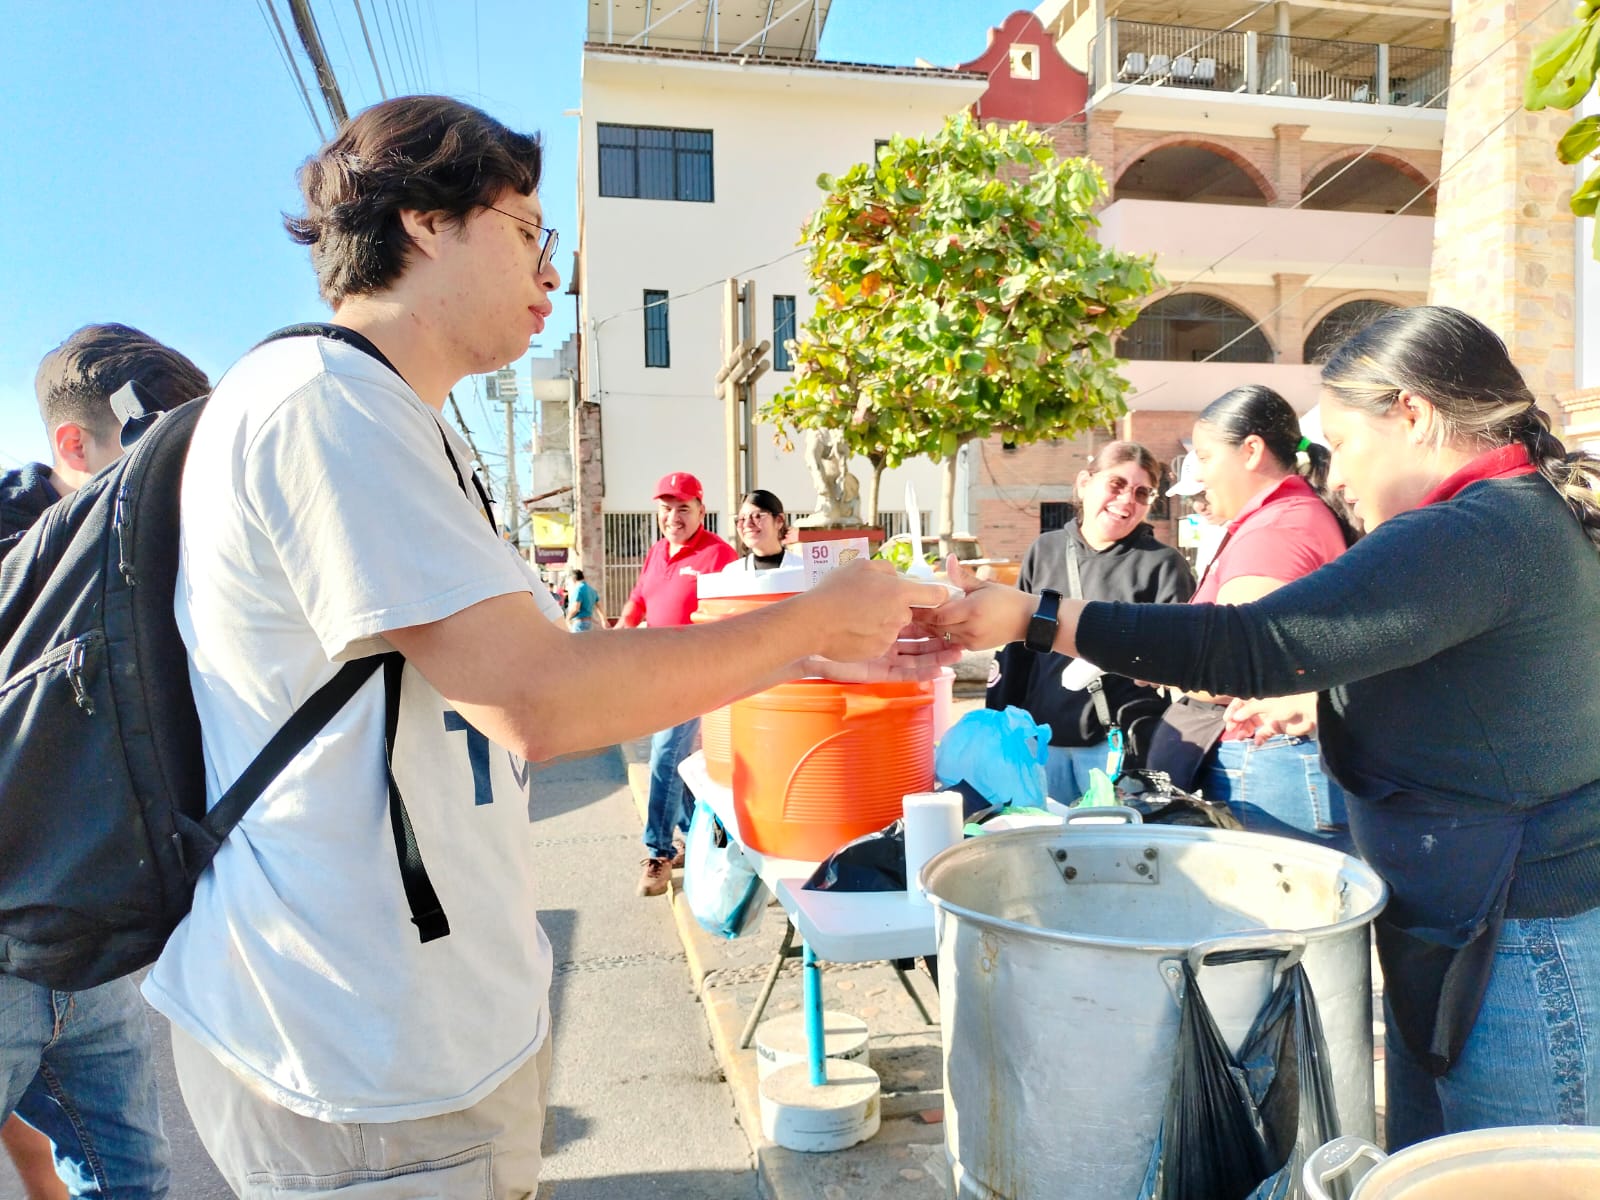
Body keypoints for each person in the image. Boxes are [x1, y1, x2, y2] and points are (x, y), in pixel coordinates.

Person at [141, 95, 952, 1200]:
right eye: (527, 232)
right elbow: (538, 700)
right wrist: (808, 621)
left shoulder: (397, 416)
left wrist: (805, 652)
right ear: (427, 220)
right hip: (359, 1053)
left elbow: (519, 676)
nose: (552, 277)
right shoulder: (323, 406)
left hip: (426, 1029)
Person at [926, 305, 1600, 1149]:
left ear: (1415, 414)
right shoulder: (1505, 514)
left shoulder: (1475, 529)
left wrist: (1035, 616)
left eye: (1345, 445)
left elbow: (1251, 643)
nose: (1336, 476)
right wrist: (1328, 701)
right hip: (1472, 928)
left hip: (1516, 948)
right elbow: (1480, 690)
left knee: (1499, 1174)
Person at [1, 323, 209, 1200]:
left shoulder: (163, 557)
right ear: (73, 445)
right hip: (9, 957)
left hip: (102, 963)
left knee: (135, 1178)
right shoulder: (22, 562)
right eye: (146, 448)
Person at [1169, 386, 1358, 850]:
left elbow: (1231, 666)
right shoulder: (1291, 517)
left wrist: (1157, 667)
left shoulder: (1276, 530)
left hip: (1267, 763)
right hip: (1284, 763)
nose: (1202, 477)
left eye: (1207, 458)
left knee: (1271, 922)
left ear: (1251, 451)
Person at [987, 442, 1193, 802]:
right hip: (1042, 741)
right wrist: (999, 724)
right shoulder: (1045, 550)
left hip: (1118, 746)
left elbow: (1179, 659)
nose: (1127, 500)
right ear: (1085, 483)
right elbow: (1017, 647)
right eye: (1116, 485)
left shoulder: (1163, 564)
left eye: (1142, 493)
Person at [619, 471, 739, 896]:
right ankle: (697, 834)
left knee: (665, 758)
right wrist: (621, 630)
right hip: (658, 676)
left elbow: (736, 612)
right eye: (667, 509)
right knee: (680, 764)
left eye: (683, 509)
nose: (674, 517)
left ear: (701, 511)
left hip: (697, 675)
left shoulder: (719, 555)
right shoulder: (656, 553)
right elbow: (639, 599)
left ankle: (658, 852)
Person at [726, 488, 802, 571]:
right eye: (742, 519)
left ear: (779, 520)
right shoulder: (733, 572)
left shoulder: (803, 569)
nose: (747, 524)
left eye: (757, 516)